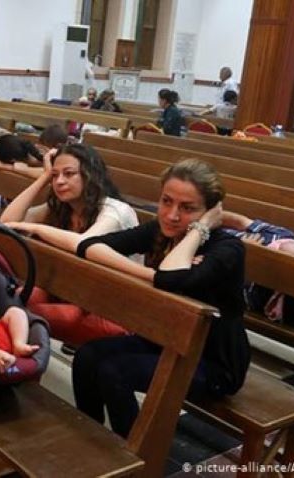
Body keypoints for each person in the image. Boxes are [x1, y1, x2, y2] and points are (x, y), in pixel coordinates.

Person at [73, 158, 249, 437]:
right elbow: (89, 246)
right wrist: (146, 274)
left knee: (113, 371)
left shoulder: (227, 249)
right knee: (86, 357)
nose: (172, 215)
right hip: (163, 341)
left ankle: (135, 461)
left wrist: (199, 230)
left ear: (210, 211)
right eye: (166, 201)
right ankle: (91, 441)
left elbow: (170, 278)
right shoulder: (160, 231)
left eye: (188, 208)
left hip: (213, 363)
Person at [2, 144, 138, 347]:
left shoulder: (115, 211)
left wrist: (34, 228)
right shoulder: (63, 207)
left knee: (22, 315)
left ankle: (16, 369)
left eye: (69, 173)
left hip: (113, 310)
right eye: (56, 176)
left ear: (90, 175)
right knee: (12, 299)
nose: (60, 181)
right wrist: (44, 177)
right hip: (72, 293)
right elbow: (7, 223)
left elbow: (83, 244)